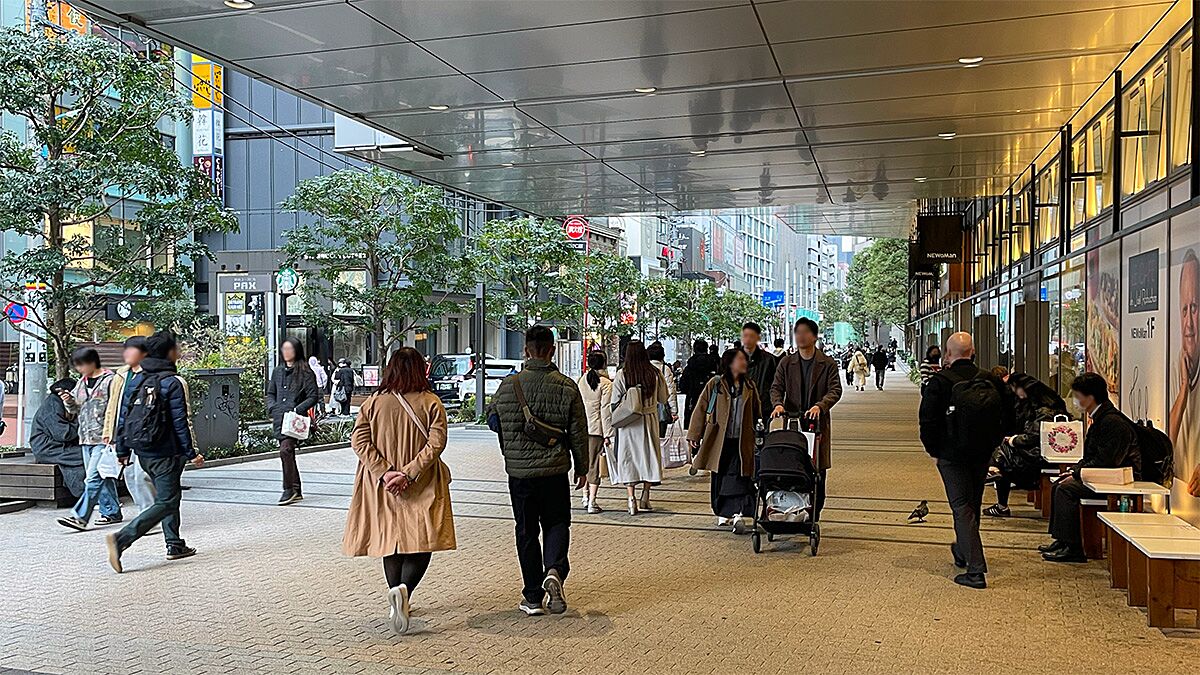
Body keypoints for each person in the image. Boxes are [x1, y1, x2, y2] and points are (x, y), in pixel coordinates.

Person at [342, 347, 455, 635]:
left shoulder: (374, 403)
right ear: (421, 369)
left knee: (390, 540)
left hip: (382, 487)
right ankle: (405, 590)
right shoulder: (431, 402)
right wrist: (408, 473)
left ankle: (395, 592)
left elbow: (359, 441)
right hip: (422, 482)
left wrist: (384, 472)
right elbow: (437, 443)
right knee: (422, 541)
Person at [489, 326, 589, 616]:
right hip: (555, 471)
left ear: (526, 350)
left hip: (520, 474)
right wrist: (583, 467)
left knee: (526, 530)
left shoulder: (509, 386)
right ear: (552, 350)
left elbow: (492, 420)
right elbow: (579, 432)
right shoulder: (566, 385)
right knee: (557, 523)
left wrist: (511, 446)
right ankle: (555, 570)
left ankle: (532, 597)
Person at [105, 331, 204, 573]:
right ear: (168, 352)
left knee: (169, 496)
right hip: (166, 452)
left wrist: (122, 450)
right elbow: (181, 422)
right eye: (176, 347)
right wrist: (192, 453)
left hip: (143, 451)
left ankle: (175, 544)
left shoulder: (138, 379)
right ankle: (122, 539)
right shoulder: (173, 382)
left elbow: (124, 418)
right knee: (167, 501)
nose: (179, 351)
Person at [918, 332, 1012, 589]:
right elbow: (1009, 413)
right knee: (973, 501)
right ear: (973, 352)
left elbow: (927, 421)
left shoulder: (940, 382)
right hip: (982, 452)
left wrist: (934, 451)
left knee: (962, 507)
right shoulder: (991, 379)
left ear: (948, 355)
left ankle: (976, 570)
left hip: (951, 454)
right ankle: (963, 549)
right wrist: (994, 441)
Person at [1041, 373, 1142, 563]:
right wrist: (1074, 471)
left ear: (1090, 397)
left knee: (1066, 490)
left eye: (1078, 396)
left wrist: (1078, 473)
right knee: (1060, 484)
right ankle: (1062, 540)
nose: (1076, 400)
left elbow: (1106, 460)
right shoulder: (1101, 418)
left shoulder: (1112, 422)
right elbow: (1091, 457)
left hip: (1115, 480)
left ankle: (1073, 547)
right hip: (1101, 475)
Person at [770, 318, 843, 519]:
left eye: (804, 332)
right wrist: (778, 404)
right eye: (797, 332)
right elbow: (776, 387)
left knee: (817, 469)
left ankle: (814, 512)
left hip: (816, 424)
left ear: (814, 336)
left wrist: (820, 405)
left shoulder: (827, 363)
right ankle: (791, 508)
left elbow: (835, 390)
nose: (800, 336)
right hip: (792, 423)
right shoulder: (787, 362)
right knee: (792, 464)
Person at [688, 348, 761, 531]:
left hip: (742, 440)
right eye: (740, 360)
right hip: (719, 440)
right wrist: (694, 435)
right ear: (730, 363)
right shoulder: (716, 384)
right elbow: (701, 408)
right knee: (719, 475)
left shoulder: (750, 386)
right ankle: (723, 511)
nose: (744, 363)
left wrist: (760, 434)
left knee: (739, 476)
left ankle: (738, 512)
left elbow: (757, 413)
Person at [56, 348, 120, 531]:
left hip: (105, 437)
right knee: (103, 476)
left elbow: (116, 408)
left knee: (92, 478)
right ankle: (111, 511)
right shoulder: (80, 383)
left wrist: (114, 434)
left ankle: (80, 517)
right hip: (86, 438)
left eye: (81, 364)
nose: (79, 369)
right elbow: (75, 410)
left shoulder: (111, 380)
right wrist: (68, 400)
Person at [984, 373, 1064, 517]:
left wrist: (1013, 440)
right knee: (1004, 455)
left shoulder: (1043, 410)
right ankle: (995, 472)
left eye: (1015, 388)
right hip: (1038, 451)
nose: (1014, 392)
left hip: (1038, 455)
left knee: (1004, 455)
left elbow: (1032, 436)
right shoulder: (1041, 404)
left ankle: (995, 477)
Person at [610, 340, 671, 515]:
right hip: (649, 419)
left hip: (629, 422)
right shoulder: (655, 373)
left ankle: (631, 499)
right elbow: (663, 398)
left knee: (628, 459)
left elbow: (614, 401)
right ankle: (645, 496)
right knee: (649, 457)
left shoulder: (623, 374)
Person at [103, 336, 156, 515]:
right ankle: (148, 514)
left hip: (145, 433)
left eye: (131, 349)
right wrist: (109, 430)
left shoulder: (151, 374)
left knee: (142, 476)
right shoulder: (121, 375)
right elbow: (114, 405)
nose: (126, 353)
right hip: (125, 432)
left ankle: (149, 516)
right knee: (130, 475)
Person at [267, 337, 320, 506]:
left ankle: (288, 489)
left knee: (286, 450)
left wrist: (297, 409)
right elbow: (270, 393)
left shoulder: (306, 372)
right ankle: (296, 489)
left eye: (290, 349)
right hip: (279, 417)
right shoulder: (277, 371)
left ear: (297, 351)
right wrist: (272, 407)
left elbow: (313, 396)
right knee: (288, 452)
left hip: (295, 419)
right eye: (284, 349)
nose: (286, 352)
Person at [1169, 250, 1200, 496]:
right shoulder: (1179, 362)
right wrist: (1182, 392)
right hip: (1183, 496)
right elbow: (1167, 443)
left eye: (1195, 308)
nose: (1189, 323)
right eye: (1184, 309)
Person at [30, 378, 84, 499]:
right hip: (48, 448)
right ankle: (85, 496)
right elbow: (63, 434)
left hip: (58, 446)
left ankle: (86, 496)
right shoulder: (53, 405)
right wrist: (80, 424)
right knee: (84, 455)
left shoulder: (60, 402)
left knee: (86, 454)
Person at [576, 351, 613, 514]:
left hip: (582, 428)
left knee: (585, 462)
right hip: (597, 430)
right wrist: (608, 434)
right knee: (594, 466)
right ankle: (592, 502)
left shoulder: (582, 380)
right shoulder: (606, 384)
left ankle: (584, 496)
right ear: (603, 364)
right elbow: (606, 411)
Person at [679, 339, 720, 430]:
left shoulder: (690, 364)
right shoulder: (713, 363)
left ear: (694, 349)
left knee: (693, 424)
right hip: (712, 398)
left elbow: (683, 384)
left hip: (693, 397)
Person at [741, 322, 777, 423]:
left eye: (751, 336)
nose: (748, 339)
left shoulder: (769, 360)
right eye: (745, 336)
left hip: (763, 408)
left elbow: (774, 384)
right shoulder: (732, 358)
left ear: (758, 338)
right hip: (739, 408)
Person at [646, 341, 678, 438]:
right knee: (660, 439)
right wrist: (674, 411)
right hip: (661, 410)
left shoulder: (644, 368)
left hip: (646, 408)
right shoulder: (665, 369)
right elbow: (671, 391)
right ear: (662, 356)